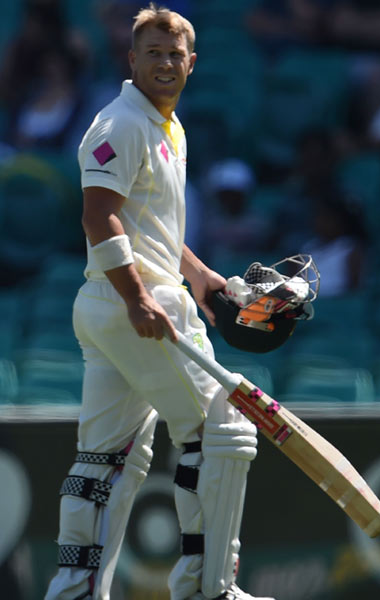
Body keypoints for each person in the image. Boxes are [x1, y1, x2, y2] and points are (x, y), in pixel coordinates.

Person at [44, 5, 270, 600]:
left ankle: (75, 591)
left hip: (125, 303)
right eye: (154, 53)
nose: (165, 63)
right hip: (133, 306)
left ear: (192, 64)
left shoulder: (168, 126)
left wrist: (199, 276)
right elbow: (99, 216)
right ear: (132, 60)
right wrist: (142, 299)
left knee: (109, 458)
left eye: (175, 54)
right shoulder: (119, 123)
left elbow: (152, 229)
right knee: (221, 429)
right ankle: (207, 586)